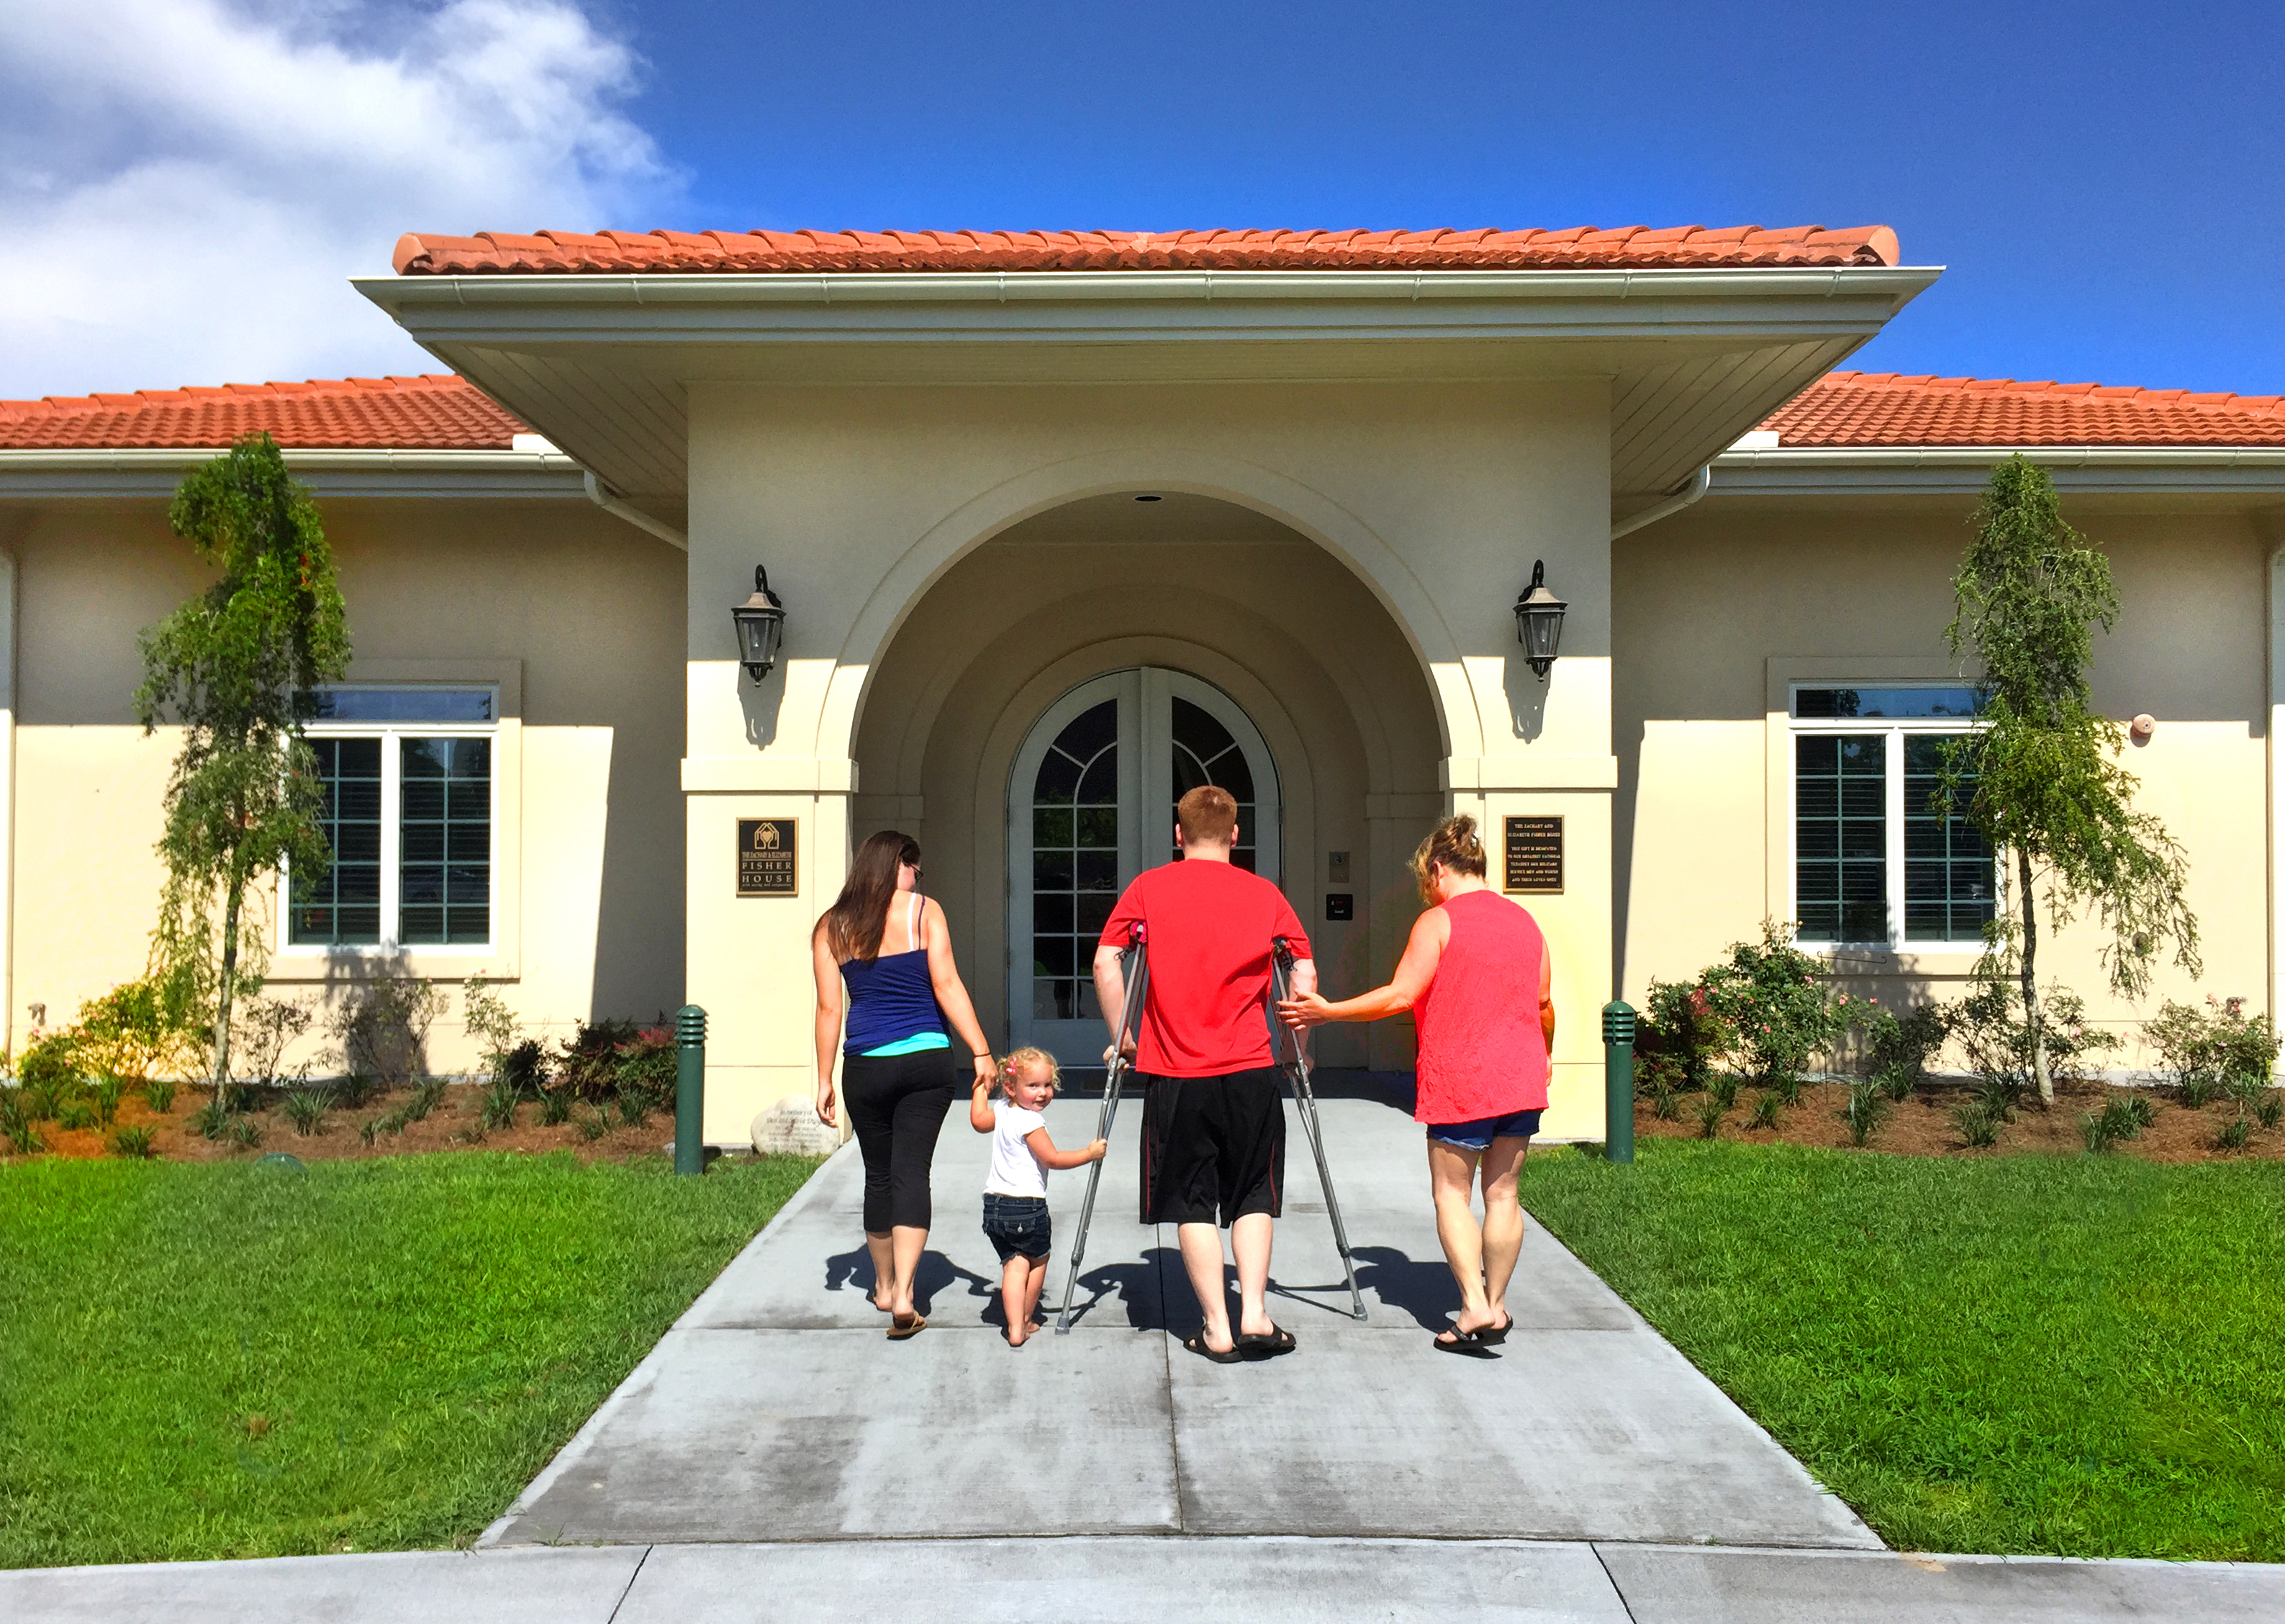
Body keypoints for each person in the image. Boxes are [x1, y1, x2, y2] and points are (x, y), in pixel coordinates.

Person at [1278, 814, 1553, 1353]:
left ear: (1437, 868)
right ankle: (1494, 1305)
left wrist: (1329, 1011)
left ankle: (1472, 1305)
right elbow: (1543, 1004)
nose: (1425, 890)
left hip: (1462, 1078)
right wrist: (1547, 1056)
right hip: (1521, 1075)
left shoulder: (1438, 921)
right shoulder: (1525, 921)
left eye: (1424, 880)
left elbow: (1400, 994)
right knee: (1503, 1194)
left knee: (1451, 1192)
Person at [1093, 784, 1316, 1363]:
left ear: (1178, 833)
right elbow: (1304, 972)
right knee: (1252, 1193)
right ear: (1235, 835)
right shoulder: (1265, 895)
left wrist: (1123, 1035)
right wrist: (1298, 1046)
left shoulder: (1148, 888)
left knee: (1191, 1199)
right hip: (1250, 1069)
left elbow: (1105, 959)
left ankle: (1215, 1327)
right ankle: (1255, 1314)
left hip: (1175, 1071)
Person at [813, 830, 998, 1340]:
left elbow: (831, 1008)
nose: (918, 876)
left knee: (878, 1175)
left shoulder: (832, 925)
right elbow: (946, 983)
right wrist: (980, 1049)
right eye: (915, 867)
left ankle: (881, 1283)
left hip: (865, 1065)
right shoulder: (924, 912)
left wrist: (824, 1077)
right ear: (900, 864)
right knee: (911, 1172)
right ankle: (907, 1294)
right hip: (925, 1062)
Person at [968, 1046, 1107, 1348]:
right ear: (1011, 1087)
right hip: (1026, 1207)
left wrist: (980, 1087)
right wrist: (1089, 1154)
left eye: (1048, 1085)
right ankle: (1026, 1320)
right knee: (1037, 1260)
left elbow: (979, 1120)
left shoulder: (1004, 1110)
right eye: (1033, 1086)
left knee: (1013, 1264)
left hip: (994, 1205)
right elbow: (1052, 1159)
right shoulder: (1031, 1121)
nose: (1042, 1093)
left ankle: (1014, 1327)